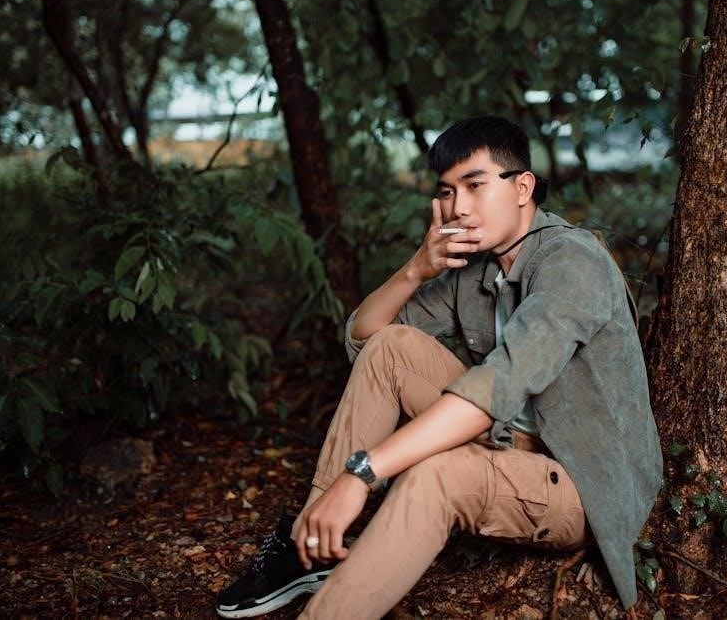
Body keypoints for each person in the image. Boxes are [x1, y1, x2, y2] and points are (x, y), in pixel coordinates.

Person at [215, 115, 663, 619]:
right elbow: (365, 339)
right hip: (510, 439)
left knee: (437, 473)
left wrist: (362, 474)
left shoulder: (571, 262)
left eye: (475, 185)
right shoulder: (475, 268)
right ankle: (311, 541)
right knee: (392, 348)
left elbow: (497, 386)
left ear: (522, 188)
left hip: (581, 481)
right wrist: (416, 269)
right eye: (447, 191)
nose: (458, 207)